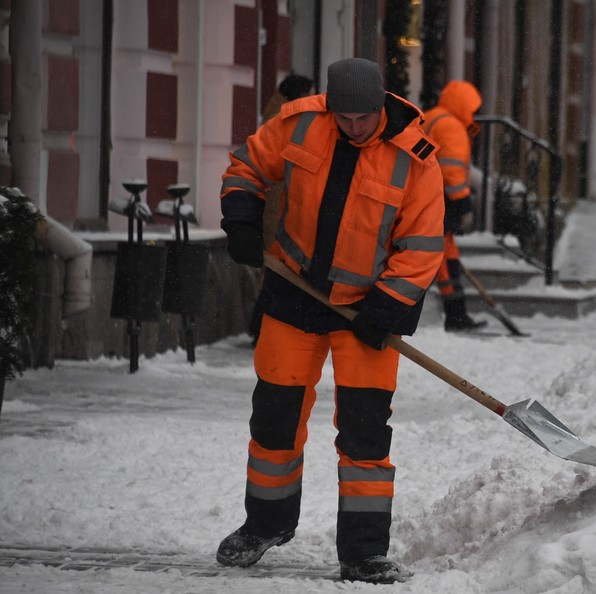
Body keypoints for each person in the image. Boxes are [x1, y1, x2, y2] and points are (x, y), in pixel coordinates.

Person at [217, 57, 445, 584]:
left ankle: (363, 552)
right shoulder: (300, 123)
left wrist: (386, 307)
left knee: (365, 432)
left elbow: (421, 245)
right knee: (275, 417)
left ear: (381, 105)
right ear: (330, 106)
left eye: (363, 117)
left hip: (364, 311)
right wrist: (243, 219)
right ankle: (265, 524)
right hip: (293, 295)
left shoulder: (415, 159)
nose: (354, 127)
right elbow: (247, 165)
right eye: (344, 117)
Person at [249, 73, 316, 343]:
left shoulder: (278, 113)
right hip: (279, 204)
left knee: (276, 265)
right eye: (310, 91)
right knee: (277, 265)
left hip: (275, 202)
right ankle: (261, 325)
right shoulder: (287, 119)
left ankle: (260, 324)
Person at [421, 80, 487, 332]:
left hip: (424, 197)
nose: (476, 115)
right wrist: (464, 205)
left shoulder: (432, 118)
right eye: (474, 108)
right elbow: (452, 170)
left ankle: (456, 313)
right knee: (444, 258)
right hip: (439, 200)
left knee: (444, 254)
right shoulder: (452, 126)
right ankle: (455, 314)